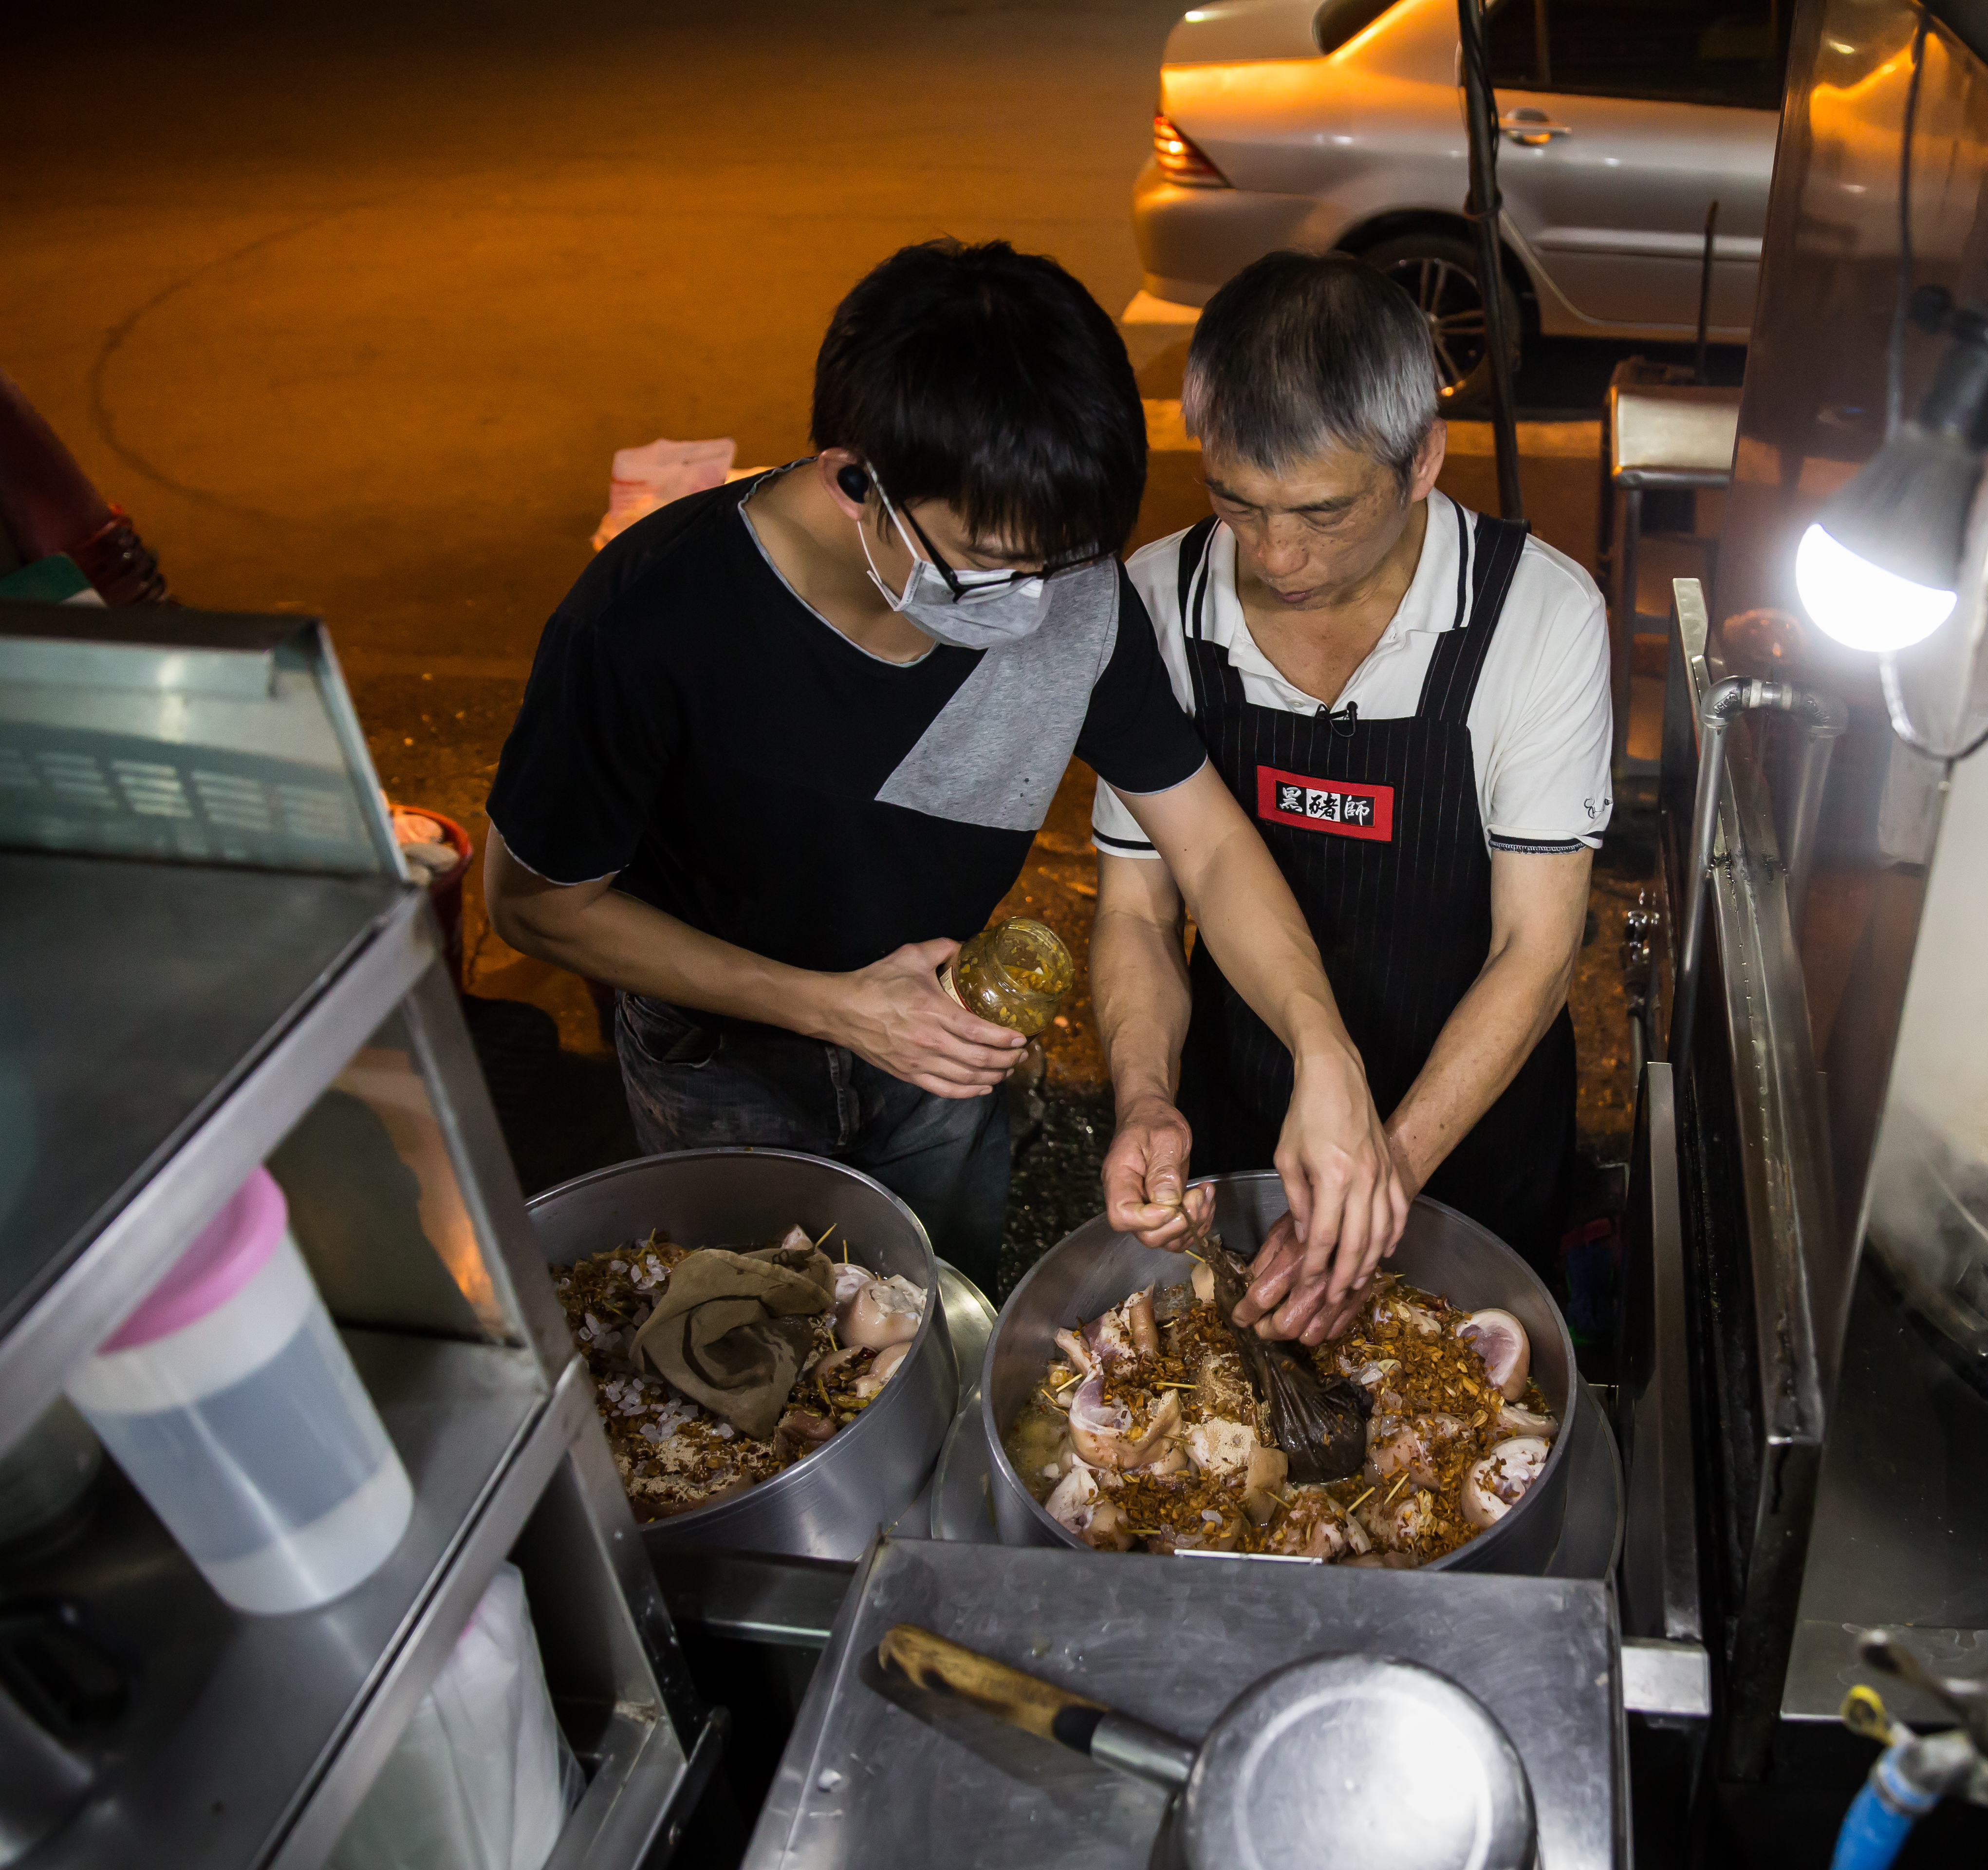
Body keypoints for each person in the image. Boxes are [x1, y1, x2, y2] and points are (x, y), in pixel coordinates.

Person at [483, 239, 1407, 1293]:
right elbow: (534, 904)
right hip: (721, 1063)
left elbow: (1209, 841)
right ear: (852, 481)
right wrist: (836, 1007)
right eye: (987, 565)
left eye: (1059, 560)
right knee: (755, 1346)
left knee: (942, 1304)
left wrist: (1321, 1050)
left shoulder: (1072, 588)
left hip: (951, 1035)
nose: (1035, 601)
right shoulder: (648, 621)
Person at [1093, 250, 1612, 1344]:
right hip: (1244, 1106)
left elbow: (1538, 947)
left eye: (1322, 513)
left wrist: (1389, 1170)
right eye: (1237, 503)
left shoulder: (1540, 618)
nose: (1280, 557)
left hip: (1472, 1130)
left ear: (1423, 458)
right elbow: (1139, 909)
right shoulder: (1155, 601)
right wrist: (1146, 1094)